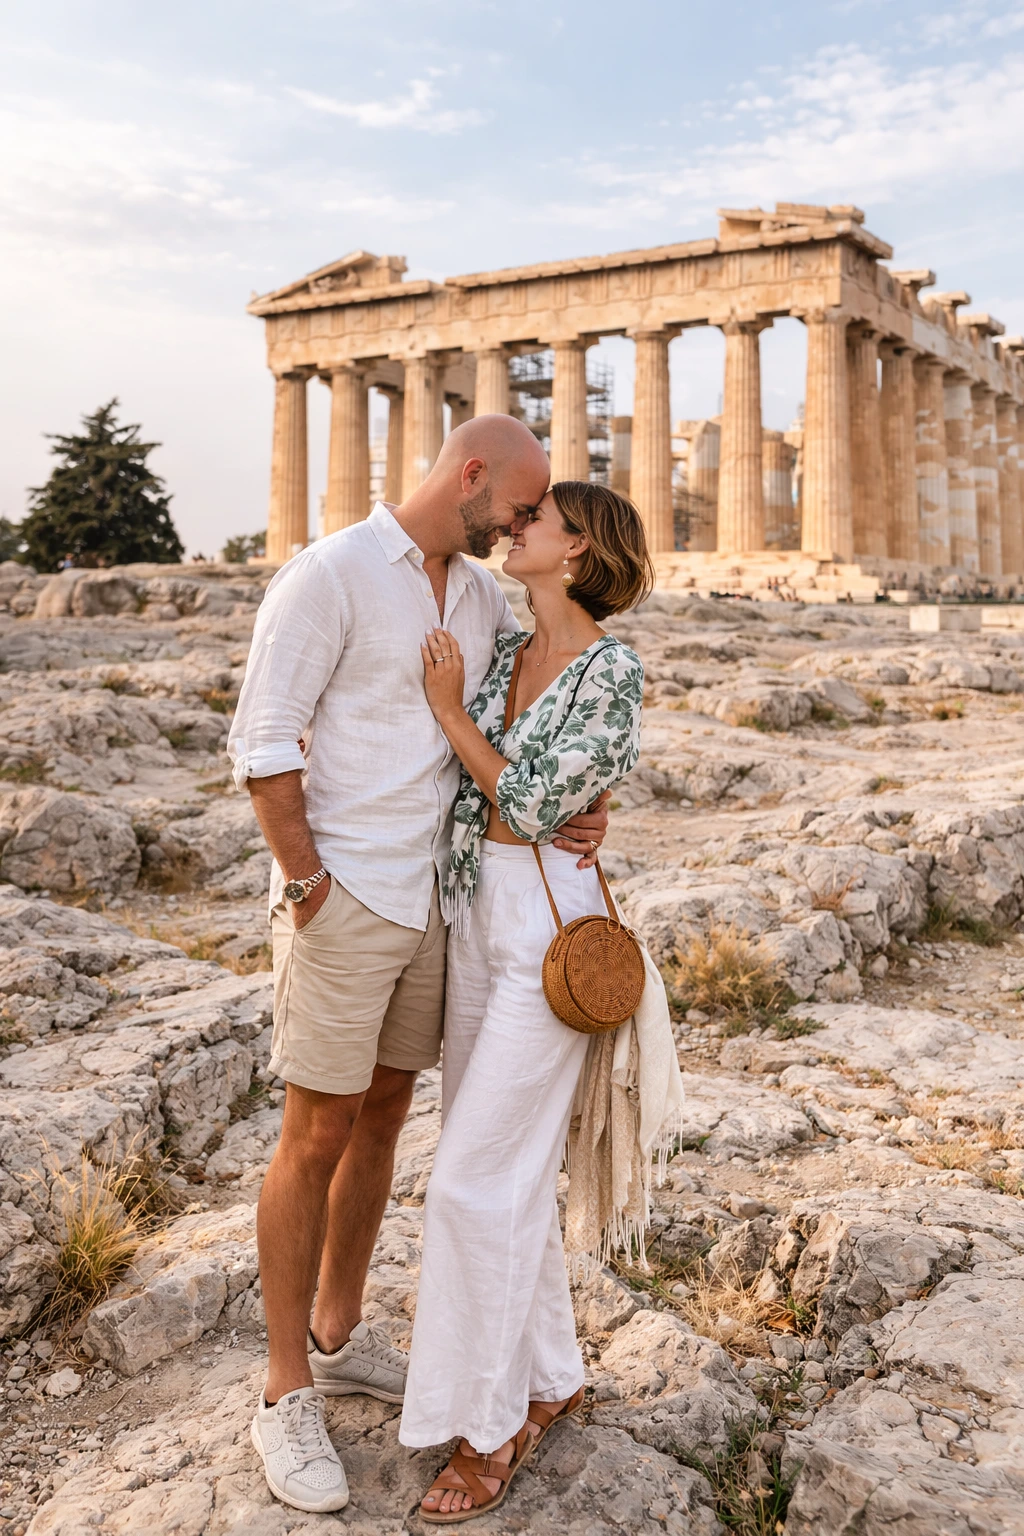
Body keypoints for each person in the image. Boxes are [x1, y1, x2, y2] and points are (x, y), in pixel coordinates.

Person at [226, 416, 612, 1516]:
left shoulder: (482, 596)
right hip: (342, 898)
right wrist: (305, 882)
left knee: (386, 1114)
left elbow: (534, 710)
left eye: (539, 519)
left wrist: (589, 798)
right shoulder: (331, 576)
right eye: (523, 506)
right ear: (473, 475)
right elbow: (262, 743)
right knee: (312, 1134)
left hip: (438, 904)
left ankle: (338, 1331)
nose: (527, 525)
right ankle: (284, 1390)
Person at [400, 481, 681, 1523]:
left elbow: (521, 801)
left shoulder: (613, 670)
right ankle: (552, 1375)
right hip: (476, 923)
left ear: (577, 553)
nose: (515, 530)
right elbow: (481, 792)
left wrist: (451, 718)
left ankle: (487, 1427)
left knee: (470, 1184)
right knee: (505, 1176)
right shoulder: (506, 653)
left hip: (547, 938)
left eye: (536, 523)